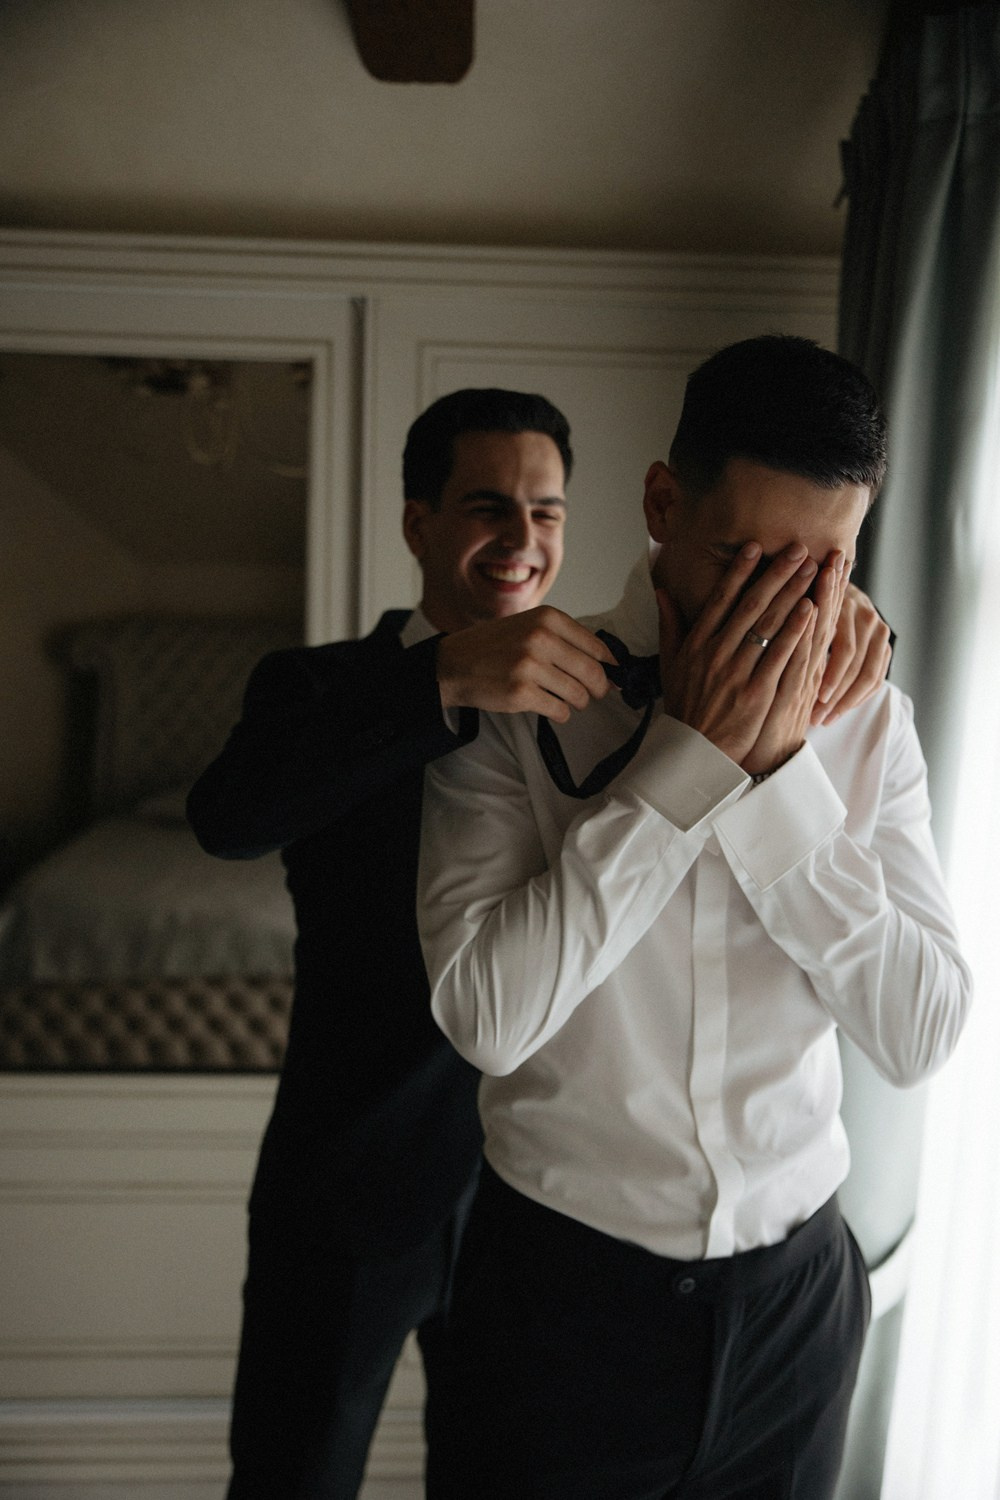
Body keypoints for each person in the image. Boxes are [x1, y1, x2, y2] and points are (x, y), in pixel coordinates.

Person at [187, 383, 891, 1500]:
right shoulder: (328, 686)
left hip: (549, 1224)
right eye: (486, 507)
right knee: (294, 1475)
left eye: (548, 512)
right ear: (419, 522)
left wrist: (825, 639)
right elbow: (227, 816)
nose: (521, 540)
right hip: (371, 1179)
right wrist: (441, 679)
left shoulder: (643, 688)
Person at [416, 341, 971, 1500]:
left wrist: (782, 783)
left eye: (824, 567)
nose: (792, 608)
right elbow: (488, 1018)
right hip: (558, 1317)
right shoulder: (518, 698)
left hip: (796, 1315)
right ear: (664, 502)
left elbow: (920, 1034)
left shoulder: (870, 723)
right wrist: (686, 769)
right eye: (751, 559)